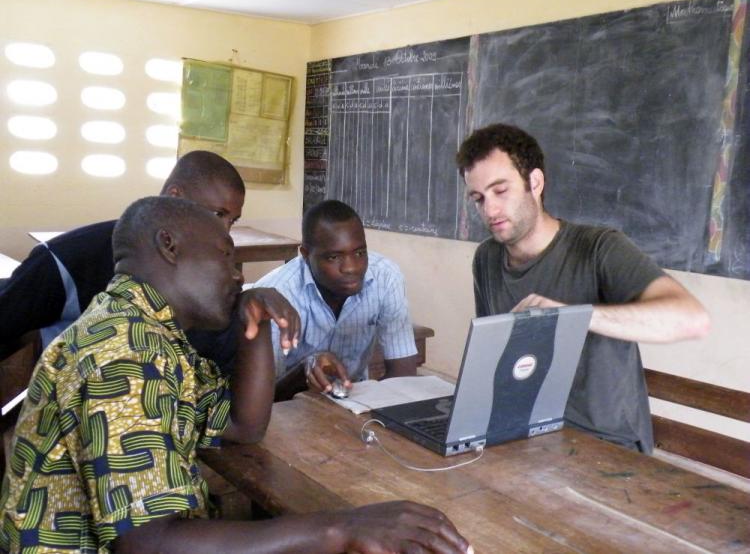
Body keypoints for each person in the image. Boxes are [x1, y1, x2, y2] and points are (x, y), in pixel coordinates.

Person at [0, 197, 471, 554]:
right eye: (227, 256)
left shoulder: (152, 336)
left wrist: (253, 325)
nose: (238, 275)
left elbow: (245, 425)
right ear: (169, 245)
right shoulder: (121, 354)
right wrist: (338, 526)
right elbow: (147, 544)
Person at [456, 123, 710, 453]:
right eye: (478, 199)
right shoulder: (486, 258)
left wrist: (570, 317)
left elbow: (692, 319)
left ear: (534, 182)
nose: (489, 210)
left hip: (605, 445)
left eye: (500, 191)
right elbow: (498, 357)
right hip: (526, 434)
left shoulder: (599, 248)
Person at [0, 150, 244, 371]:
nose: (225, 230)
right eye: (218, 214)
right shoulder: (69, 258)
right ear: (175, 196)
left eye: (232, 220)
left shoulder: (209, 280)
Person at [253, 200, 419, 401]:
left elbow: (403, 374)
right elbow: (261, 398)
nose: (351, 267)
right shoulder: (278, 296)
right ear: (306, 255)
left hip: (355, 401)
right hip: (290, 406)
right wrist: (303, 373)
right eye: (333, 257)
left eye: (359, 253)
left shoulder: (385, 277)